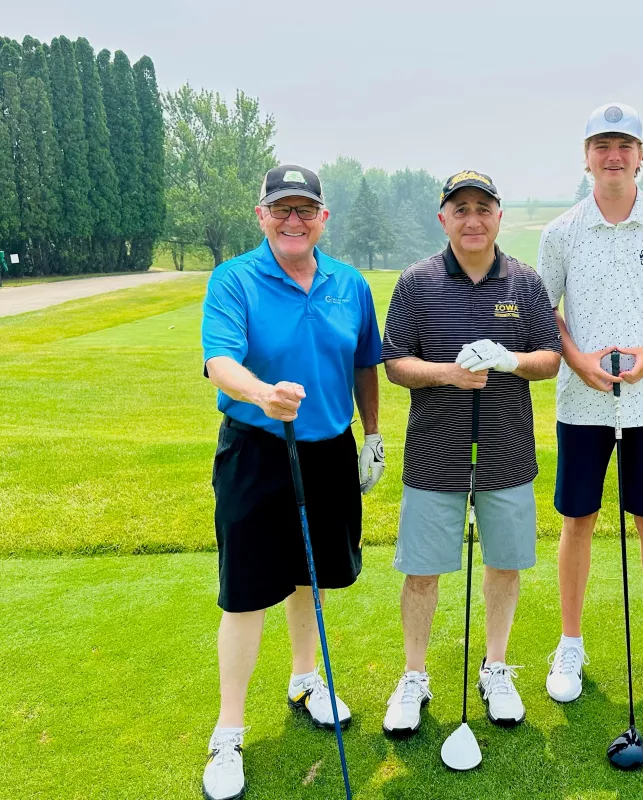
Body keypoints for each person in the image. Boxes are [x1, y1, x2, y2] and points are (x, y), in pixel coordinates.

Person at [199, 164, 384, 800]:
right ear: (262, 216)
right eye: (282, 209)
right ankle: (229, 730)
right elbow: (218, 359)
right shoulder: (235, 280)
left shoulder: (349, 283)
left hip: (331, 451)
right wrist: (260, 393)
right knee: (246, 591)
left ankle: (306, 678)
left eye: (305, 209)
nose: (293, 220)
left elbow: (366, 365)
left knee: (312, 573)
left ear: (323, 219)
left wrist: (375, 435)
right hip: (257, 450)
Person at [380, 170, 562, 735]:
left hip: (506, 451)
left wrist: (509, 360)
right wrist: (448, 374)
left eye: (483, 208)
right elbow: (395, 363)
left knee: (504, 564)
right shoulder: (416, 281)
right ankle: (415, 675)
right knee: (423, 571)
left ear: (499, 216)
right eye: (460, 209)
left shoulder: (526, 283)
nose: (473, 219)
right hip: (436, 454)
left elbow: (550, 359)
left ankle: (496, 667)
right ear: (444, 219)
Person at [537, 103, 643, 704]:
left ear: (641, 155)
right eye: (602, 144)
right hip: (581, 402)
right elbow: (546, 311)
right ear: (586, 157)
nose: (613, 155)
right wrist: (579, 360)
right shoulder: (560, 233)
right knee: (577, 521)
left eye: (624, 144)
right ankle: (571, 644)